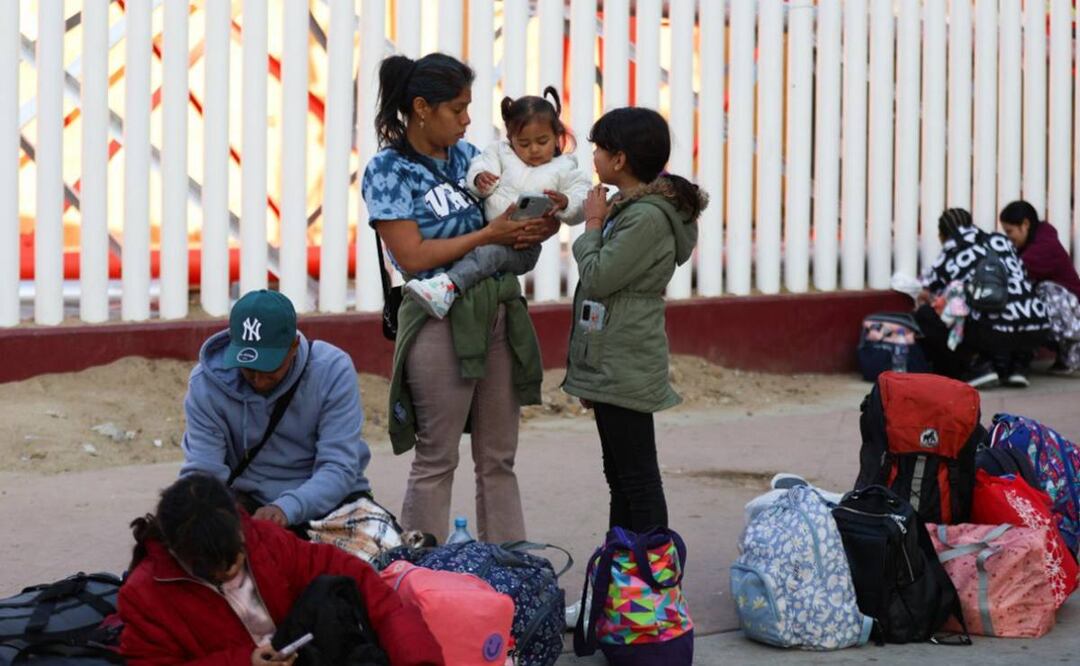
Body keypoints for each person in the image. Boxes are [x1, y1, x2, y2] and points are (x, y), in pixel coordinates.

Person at [361, 53, 554, 543]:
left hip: (498, 312)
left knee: (498, 459)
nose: (469, 120)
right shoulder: (389, 170)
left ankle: (510, 575)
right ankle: (421, 580)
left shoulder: (473, 160)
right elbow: (413, 255)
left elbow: (508, 222)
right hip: (437, 314)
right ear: (422, 108)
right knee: (437, 455)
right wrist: (489, 235)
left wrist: (535, 224)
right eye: (459, 109)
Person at [117, 474, 444, 665]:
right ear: (177, 554)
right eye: (217, 573)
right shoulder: (145, 595)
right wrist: (245, 661)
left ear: (241, 528)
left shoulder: (268, 542)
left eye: (238, 558)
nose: (232, 573)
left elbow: (381, 602)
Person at [561, 107, 705, 532]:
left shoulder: (645, 216)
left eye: (599, 149)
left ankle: (652, 585)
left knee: (637, 479)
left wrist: (591, 224)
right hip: (613, 355)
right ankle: (621, 581)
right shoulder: (630, 207)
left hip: (625, 356)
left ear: (620, 159)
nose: (594, 157)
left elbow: (600, 276)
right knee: (620, 477)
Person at [181, 289, 372, 531]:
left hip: (331, 503)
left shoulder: (332, 369)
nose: (258, 380)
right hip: (247, 504)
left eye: (269, 369)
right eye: (248, 368)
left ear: (293, 346)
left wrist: (286, 508)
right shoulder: (205, 385)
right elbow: (203, 473)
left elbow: (338, 467)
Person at [403, 86, 591, 318]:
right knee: (483, 253)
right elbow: (480, 167)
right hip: (491, 232)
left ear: (557, 137)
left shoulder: (564, 168)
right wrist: (479, 179)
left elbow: (583, 196)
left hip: (523, 246)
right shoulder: (499, 153)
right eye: (523, 143)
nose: (533, 150)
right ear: (511, 139)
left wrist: (565, 202)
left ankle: (447, 288)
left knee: (488, 254)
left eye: (542, 141)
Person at [916, 208, 1050, 388]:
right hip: (1037, 327)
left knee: (928, 315)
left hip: (993, 331)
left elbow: (930, 289)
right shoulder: (1000, 240)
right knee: (997, 306)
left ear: (942, 236)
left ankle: (975, 367)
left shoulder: (953, 247)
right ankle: (1017, 366)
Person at [999, 200, 1080, 374]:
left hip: (1074, 313)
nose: (1008, 238)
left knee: (1046, 290)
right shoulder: (1032, 244)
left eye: (1010, 231)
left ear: (1025, 225)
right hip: (1072, 312)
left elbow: (1016, 272)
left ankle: (1074, 354)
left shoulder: (1044, 248)